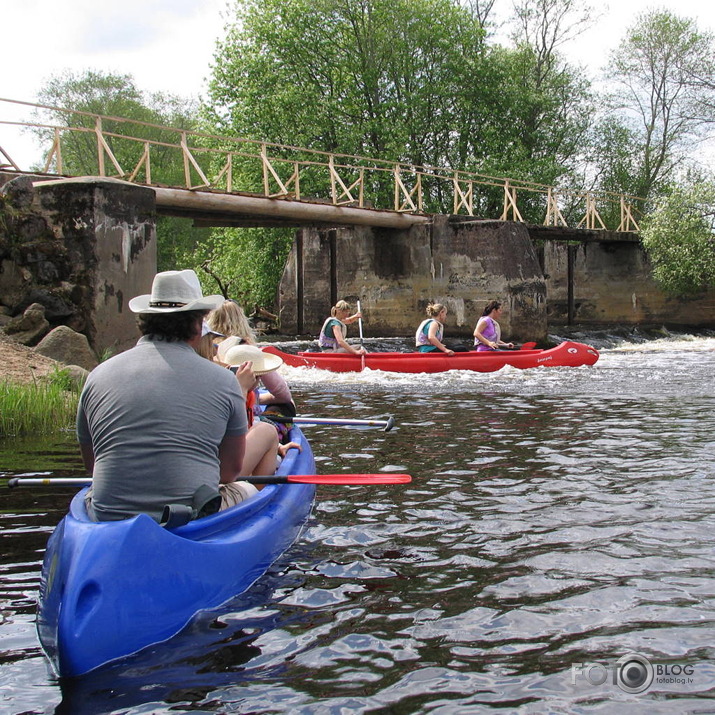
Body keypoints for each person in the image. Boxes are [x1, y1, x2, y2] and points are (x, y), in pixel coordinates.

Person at [76, 269, 256, 523]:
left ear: (146, 320)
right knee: (248, 489)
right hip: (187, 517)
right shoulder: (225, 380)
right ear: (196, 325)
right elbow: (228, 473)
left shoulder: (96, 375)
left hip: (109, 518)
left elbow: (93, 465)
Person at [222, 343, 302, 471]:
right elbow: (234, 431)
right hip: (227, 465)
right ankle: (260, 489)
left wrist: (276, 446)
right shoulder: (228, 396)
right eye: (258, 376)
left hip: (232, 457)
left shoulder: (246, 395)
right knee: (268, 432)